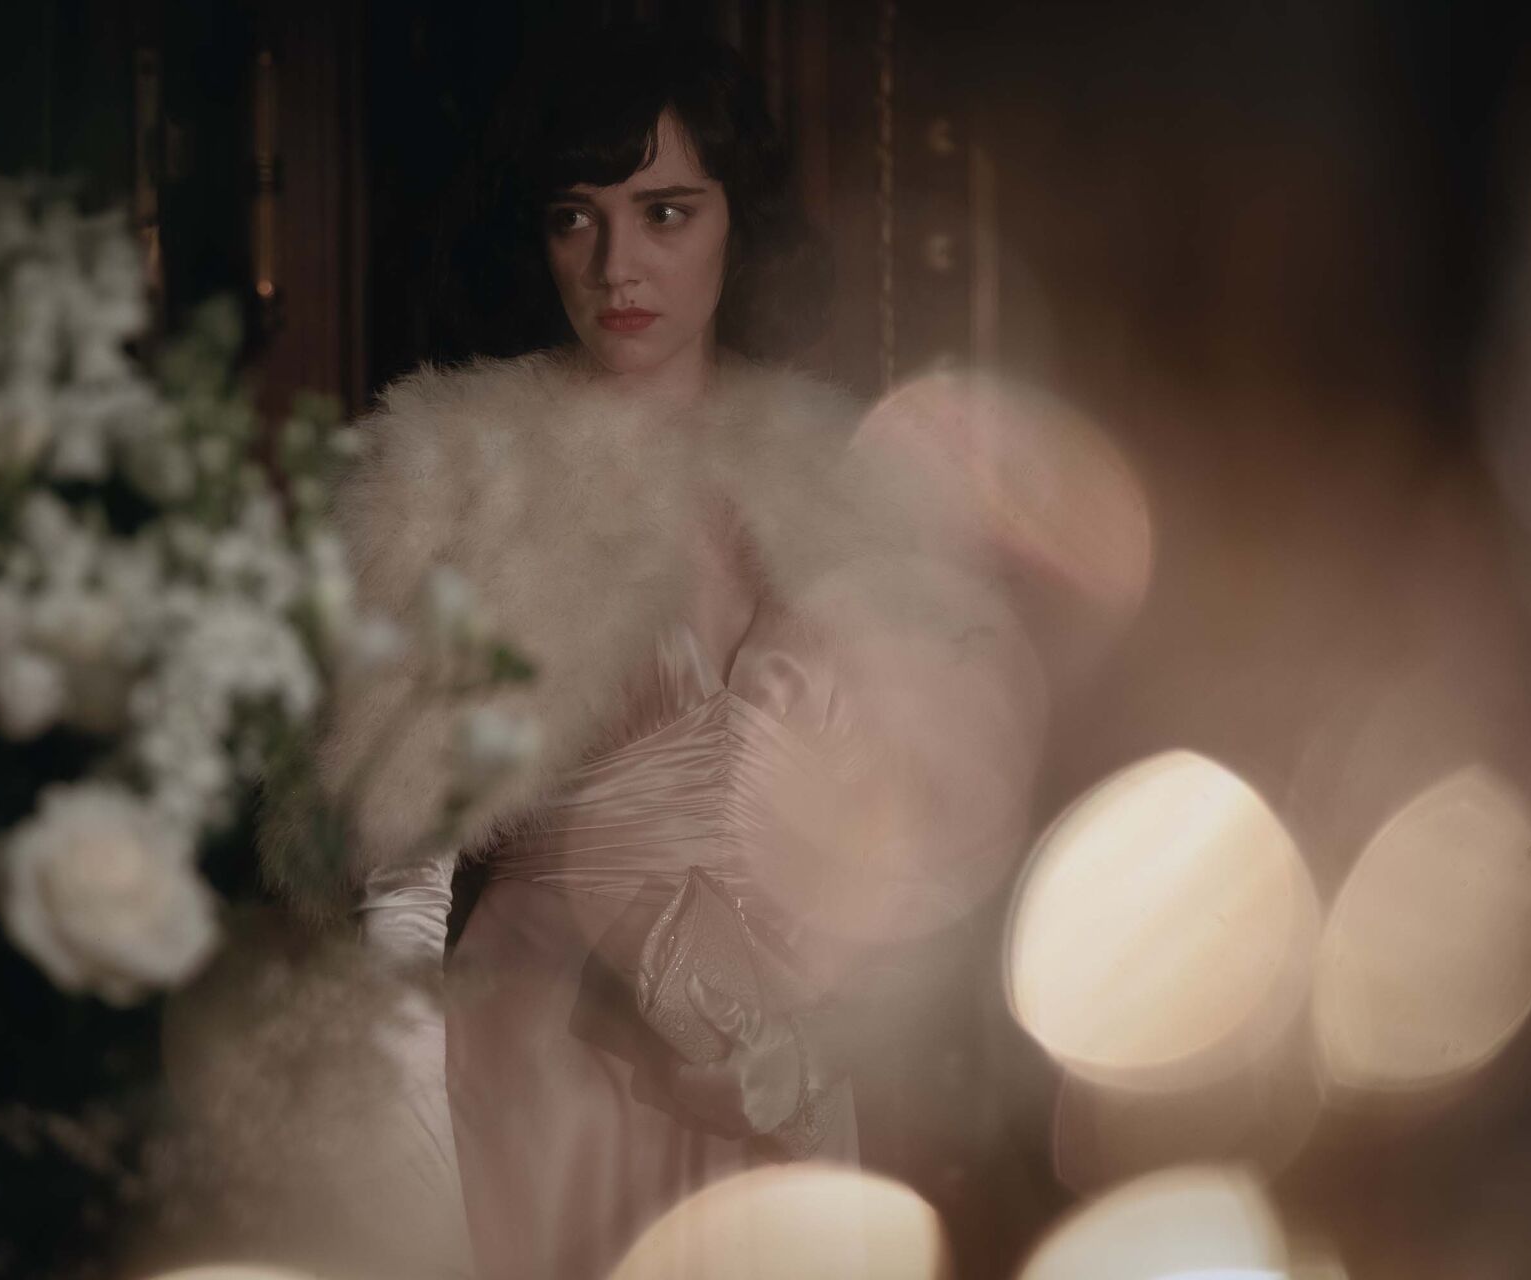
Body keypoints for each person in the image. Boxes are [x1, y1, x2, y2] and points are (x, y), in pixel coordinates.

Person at [266, 28, 1044, 1280]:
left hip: (780, 1077)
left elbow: (905, 849)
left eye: (665, 212)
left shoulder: (835, 477)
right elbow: (399, 883)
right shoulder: (462, 479)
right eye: (574, 217)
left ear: (739, 222)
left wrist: (821, 1037)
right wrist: (410, 1173)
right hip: (543, 1072)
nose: (617, 263)